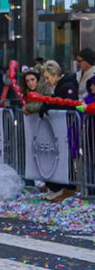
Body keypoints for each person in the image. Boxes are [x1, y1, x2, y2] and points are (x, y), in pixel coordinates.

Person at [39, 59, 78, 201]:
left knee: (65, 157)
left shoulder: (67, 86)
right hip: (60, 130)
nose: (47, 81)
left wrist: (50, 106)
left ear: (54, 74)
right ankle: (61, 186)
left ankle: (66, 186)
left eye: (48, 78)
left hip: (67, 129)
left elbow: (69, 105)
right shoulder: (59, 87)